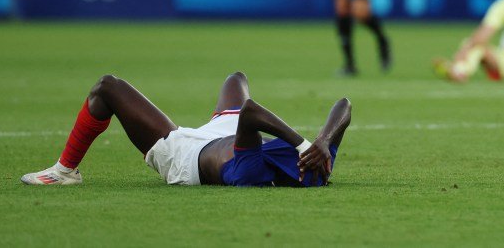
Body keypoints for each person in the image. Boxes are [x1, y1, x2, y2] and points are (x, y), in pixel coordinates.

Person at [21, 72, 351, 187]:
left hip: (184, 153)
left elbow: (251, 112)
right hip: (229, 131)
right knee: (236, 78)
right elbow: (345, 106)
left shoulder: (249, 174)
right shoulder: (318, 168)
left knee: (107, 88)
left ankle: (65, 170)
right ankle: (218, 118)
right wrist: (322, 141)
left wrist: (306, 143)